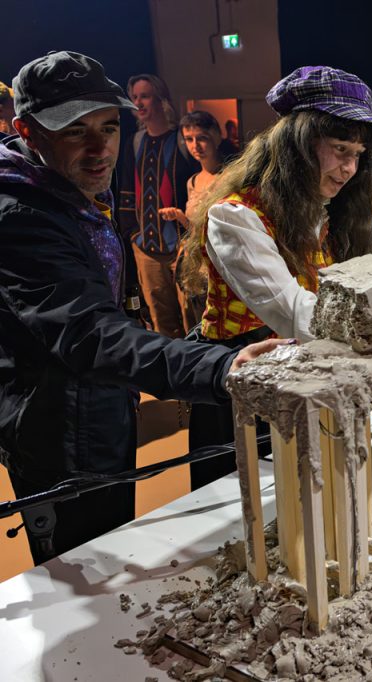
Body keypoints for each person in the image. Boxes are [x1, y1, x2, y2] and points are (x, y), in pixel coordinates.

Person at [0, 51, 283, 564]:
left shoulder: (62, 189)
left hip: (97, 403)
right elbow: (92, 334)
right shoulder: (22, 215)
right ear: (28, 131)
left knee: (112, 542)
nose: (99, 148)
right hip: (60, 426)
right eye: (74, 131)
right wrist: (221, 366)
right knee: (87, 565)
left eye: (108, 128)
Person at [180, 65, 372, 489]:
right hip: (245, 385)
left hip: (304, 377)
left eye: (357, 154)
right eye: (340, 149)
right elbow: (293, 312)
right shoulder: (236, 217)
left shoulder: (327, 214)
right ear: (299, 144)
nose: (349, 168)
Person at [117, 73, 199, 338]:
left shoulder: (182, 141)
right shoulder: (134, 142)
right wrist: (132, 234)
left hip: (181, 247)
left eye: (145, 96)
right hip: (146, 248)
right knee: (161, 322)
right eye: (134, 97)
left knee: (192, 317)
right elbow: (127, 191)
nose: (138, 103)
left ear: (161, 99)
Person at [159, 110, 230, 329]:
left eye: (202, 138)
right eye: (189, 139)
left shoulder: (229, 178)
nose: (195, 145)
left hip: (219, 264)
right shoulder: (193, 181)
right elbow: (194, 229)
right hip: (194, 263)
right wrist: (180, 217)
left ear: (216, 136)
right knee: (194, 322)